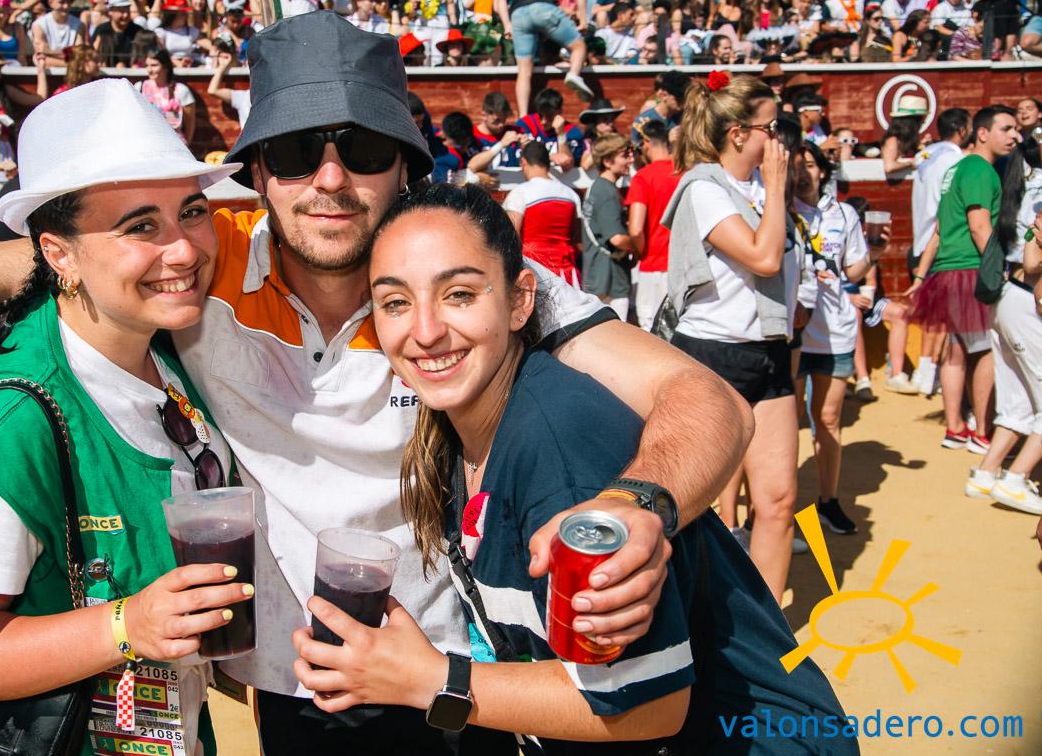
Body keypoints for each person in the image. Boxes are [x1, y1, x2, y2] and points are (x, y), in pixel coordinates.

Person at [0, 15, 751, 753]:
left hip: (455, 669)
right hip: (292, 685)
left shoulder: (454, 283)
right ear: (258, 170)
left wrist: (641, 501)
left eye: (363, 148)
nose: (329, 179)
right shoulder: (196, 262)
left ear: (406, 166)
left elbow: (707, 399)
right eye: (298, 150)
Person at [291, 182, 857, 755]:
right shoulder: (456, 434)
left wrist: (430, 680)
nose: (426, 330)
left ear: (520, 300)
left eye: (459, 294)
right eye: (395, 302)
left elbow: (644, 705)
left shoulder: (557, 446)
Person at [0, 79, 249, 756]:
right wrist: (127, 625)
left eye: (192, 211)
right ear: (58, 254)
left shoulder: (164, 352)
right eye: (140, 226)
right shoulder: (16, 421)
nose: (185, 250)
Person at [662, 72, 800, 603]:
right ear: (739, 133)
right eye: (772, 127)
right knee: (692, 505)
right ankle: (693, 619)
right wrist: (778, 188)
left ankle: (770, 628)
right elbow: (764, 257)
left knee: (779, 500)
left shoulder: (761, 189)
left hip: (768, 352)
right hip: (711, 355)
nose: (780, 139)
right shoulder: (704, 188)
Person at [911, 105, 1021, 454]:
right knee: (985, 350)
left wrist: (921, 272)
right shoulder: (979, 169)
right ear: (982, 133)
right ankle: (982, 431)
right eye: (1007, 128)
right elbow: (979, 225)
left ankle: (956, 427)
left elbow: (940, 229)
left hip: (948, 268)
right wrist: (999, 268)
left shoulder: (957, 168)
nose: (1014, 136)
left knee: (956, 350)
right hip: (972, 268)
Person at [792, 141, 889, 536]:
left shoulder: (844, 213)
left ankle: (828, 501)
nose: (802, 173)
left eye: (809, 165)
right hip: (793, 333)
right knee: (788, 425)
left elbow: (853, 269)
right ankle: (780, 508)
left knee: (828, 420)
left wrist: (876, 253)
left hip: (835, 332)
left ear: (823, 170)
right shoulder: (780, 211)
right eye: (795, 166)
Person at [966, 140, 1042, 514]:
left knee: (1019, 398)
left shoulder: (1022, 185)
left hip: (1009, 296)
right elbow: (1034, 262)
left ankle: (986, 473)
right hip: (1030, 300)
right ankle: (1015, 478)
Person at [909, 107, 971, 395]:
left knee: (934, 315)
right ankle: (927, 374)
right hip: (939, 243)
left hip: (919, 241)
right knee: (943, 317)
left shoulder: (925, 154)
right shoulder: (955, 159)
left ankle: (925, 373)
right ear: (962, 130)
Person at [496, 0, 594, 118]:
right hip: (544, 9)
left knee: (524, 71)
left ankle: (523, 116)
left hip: (519, 15)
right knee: (579, 47)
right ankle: (574, 74)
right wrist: (583, 21)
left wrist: (507, 24)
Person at [502, 140, 582, 286]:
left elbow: (511, 237)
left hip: (535, 273)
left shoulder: (520, 192)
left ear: (523, 162)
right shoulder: (571, 194)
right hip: (567, 274)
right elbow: (577, 239)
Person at [625, 118, 677, 331]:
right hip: (683, 265)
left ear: (646, 143)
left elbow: (636, 229)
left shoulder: (643, 177)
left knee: (650, 330)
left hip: (653, 264)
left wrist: (640, 251)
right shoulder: (686, 173)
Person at [581, 133, 636, 319]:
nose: (631, 159)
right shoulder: (607, 192)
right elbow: (617, 239)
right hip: (611, 279)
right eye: (624, 155)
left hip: (599, 275)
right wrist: (639, 245)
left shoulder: (597, 187)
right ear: (607, 161)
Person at [139, 48, 196, 146]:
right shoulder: (139, 87)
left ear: (166, 66)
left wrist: (186, 145)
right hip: (147, 144)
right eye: (147, 65)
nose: (149, 70)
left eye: (154, 65)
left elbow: (189, 124)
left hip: (174, 145)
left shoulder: (181, 90)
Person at [31, 0, 86, 65]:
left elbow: (79, 53)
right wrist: (70, 59)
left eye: (68, 2)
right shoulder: (39, 25)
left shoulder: (79, 24)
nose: (66, 6)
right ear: (50, 3)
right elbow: (40, 53)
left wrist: (49, 51)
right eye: (61, 2)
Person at [630, 70, 689, 146]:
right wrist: (667, 142)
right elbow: (637, 151)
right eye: (679, 99)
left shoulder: (686, 116)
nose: (684, 104)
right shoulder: (644, 121)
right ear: (664, 95)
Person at [93, 0, 138, 67]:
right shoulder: (102, 31)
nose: (125, 15)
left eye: (127, 10)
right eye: (121, 11)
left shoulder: (137, 31)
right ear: (110, 11)